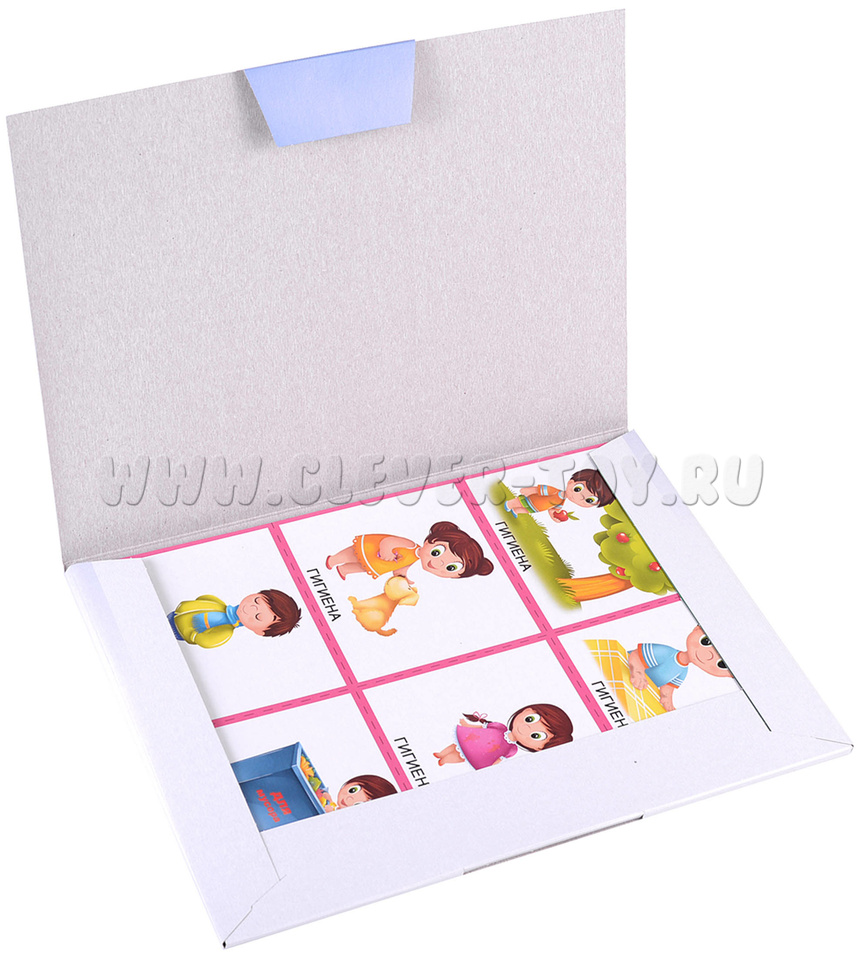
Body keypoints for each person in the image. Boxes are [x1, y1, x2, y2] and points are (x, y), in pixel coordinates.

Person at [326, 520, 493, 582]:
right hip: (373, 550)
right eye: (436, 552)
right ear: (429, 541)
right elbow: (388, 541)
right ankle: (334, 559)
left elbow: (402, 566)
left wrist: (402, 576)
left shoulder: (413, 559)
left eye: (451, 568)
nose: (438, 563)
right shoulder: (410, 545)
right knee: (354, 554)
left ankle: (344, 569)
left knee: (365, 568)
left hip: (381, 564)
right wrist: (386, 550)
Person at [433, 703, 574, 769]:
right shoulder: (500, 727)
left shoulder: (512, 749)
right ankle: (441, 754)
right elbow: (482, 727)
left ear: (539, 748)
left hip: (482, 754)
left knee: (461, 756)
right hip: (474, 738)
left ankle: (445, 760)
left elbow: (500, 760)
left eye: (536, 735)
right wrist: (467, 725)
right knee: (457, 745)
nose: (527, 728)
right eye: (530, 719)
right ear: (527, 710)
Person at [627, 624, 732, 711]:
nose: (708, 656)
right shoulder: (667, 653)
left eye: (721, 664)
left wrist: (668, 703)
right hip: (624, 667)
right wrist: (637, 673)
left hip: (633, 686)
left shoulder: (683, 671)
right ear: (697, 629)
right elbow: (636, 655)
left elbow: (668, 687)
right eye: (706, 641)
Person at [168, 590, 301, 648]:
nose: (251, 608)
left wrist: (192, 634)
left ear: (260, 632)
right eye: (257, 600)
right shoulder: (220, 604)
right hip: (172, 614)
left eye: (258, 617)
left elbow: (205, 641)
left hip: (175, 632)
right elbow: (203, 599)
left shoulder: (225, 632)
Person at [504, 468, 614, 523]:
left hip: (537, 508)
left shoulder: (562, 501)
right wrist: (530, 490)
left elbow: (554, 508)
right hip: (533, 499)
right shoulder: (555, 492)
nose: (580, 497)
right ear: (571, 483)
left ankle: (516, 511)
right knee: (520, 502)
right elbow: (541, 490)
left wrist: (554, 515)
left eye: (589, 500)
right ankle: (509, 504)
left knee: (527, 510)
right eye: (577, 489)